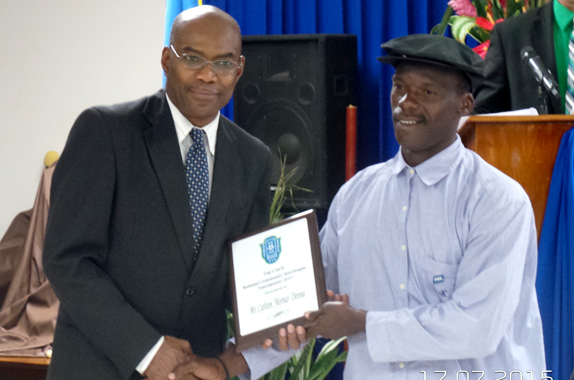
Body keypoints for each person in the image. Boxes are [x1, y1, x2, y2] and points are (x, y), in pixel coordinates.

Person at [235, 34, 547, 380]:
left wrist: (362, 323)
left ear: (465, 105)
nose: (406, 103)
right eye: (399, 87)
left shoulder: (497, 200)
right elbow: (300, 300)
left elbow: (475, 326)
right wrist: (223, 365)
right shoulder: (355, 196)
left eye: (426, 92)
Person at [43, 6, 274, 380]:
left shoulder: (254, 158)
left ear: (240, 69)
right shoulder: (105, 132)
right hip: (99, 368)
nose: (208, 75)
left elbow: (243, 279)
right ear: (167, 59)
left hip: (196, 371)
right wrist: (147, 351)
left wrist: (284, 314)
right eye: (193, 58)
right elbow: (66, 260)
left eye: (224, 63)